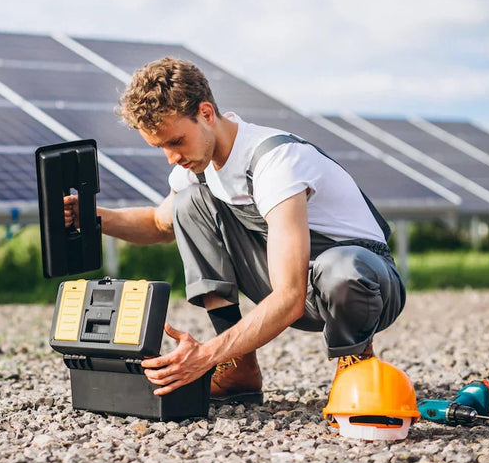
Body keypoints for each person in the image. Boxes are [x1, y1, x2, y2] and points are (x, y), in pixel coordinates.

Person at [63, 57, 405, 405]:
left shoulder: (276, 161)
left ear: (207, 113)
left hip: (366, 284)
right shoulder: (198, 166)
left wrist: (204, 356)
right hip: (295, 284)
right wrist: (91, 217)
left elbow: (289, 297)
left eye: (177, 141)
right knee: (188, 203)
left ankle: (355, 367)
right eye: (161, 147)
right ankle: (239, 369)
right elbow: (158, 224)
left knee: (341, 269)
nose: (171, 157)